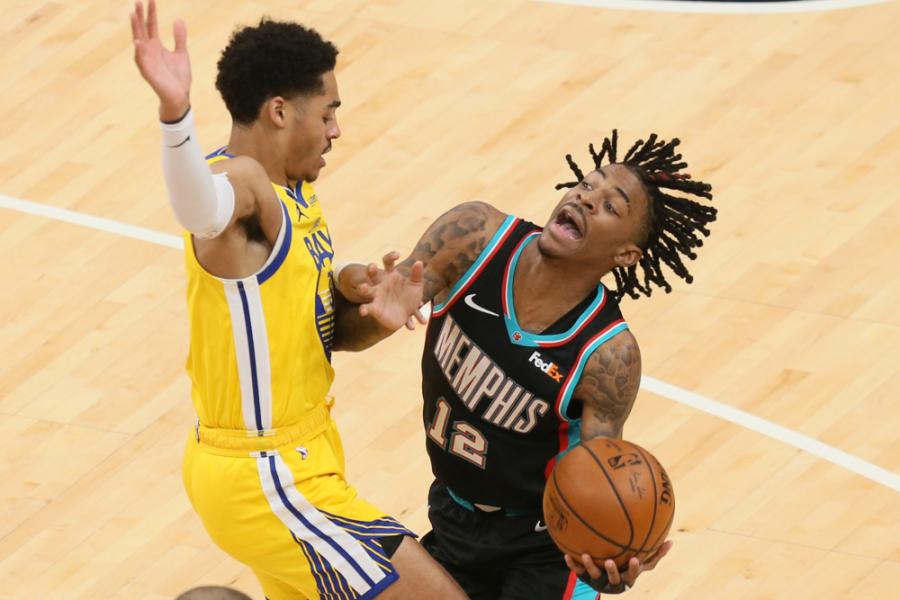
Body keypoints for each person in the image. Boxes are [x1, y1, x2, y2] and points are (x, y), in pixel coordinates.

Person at [129, 2, 465, 598]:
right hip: (266, 474)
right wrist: (175, 115)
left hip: (299, 457)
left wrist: (363, 306)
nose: (336, 130)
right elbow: (199, 209)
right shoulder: (242, 184)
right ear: (280, 111)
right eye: (329, 112)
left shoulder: (295, 194)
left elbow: (313, 332)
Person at [363, 130, 716, 598]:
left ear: (626, 254)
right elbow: (361, 324)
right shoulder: (474, 238)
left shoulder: (608, 355)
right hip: (451, 512)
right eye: (587, 184)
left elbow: (596, 475)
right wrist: (363, 301)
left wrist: (610, 563)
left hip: (544, 547)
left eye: (610, 206)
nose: (586, 199)